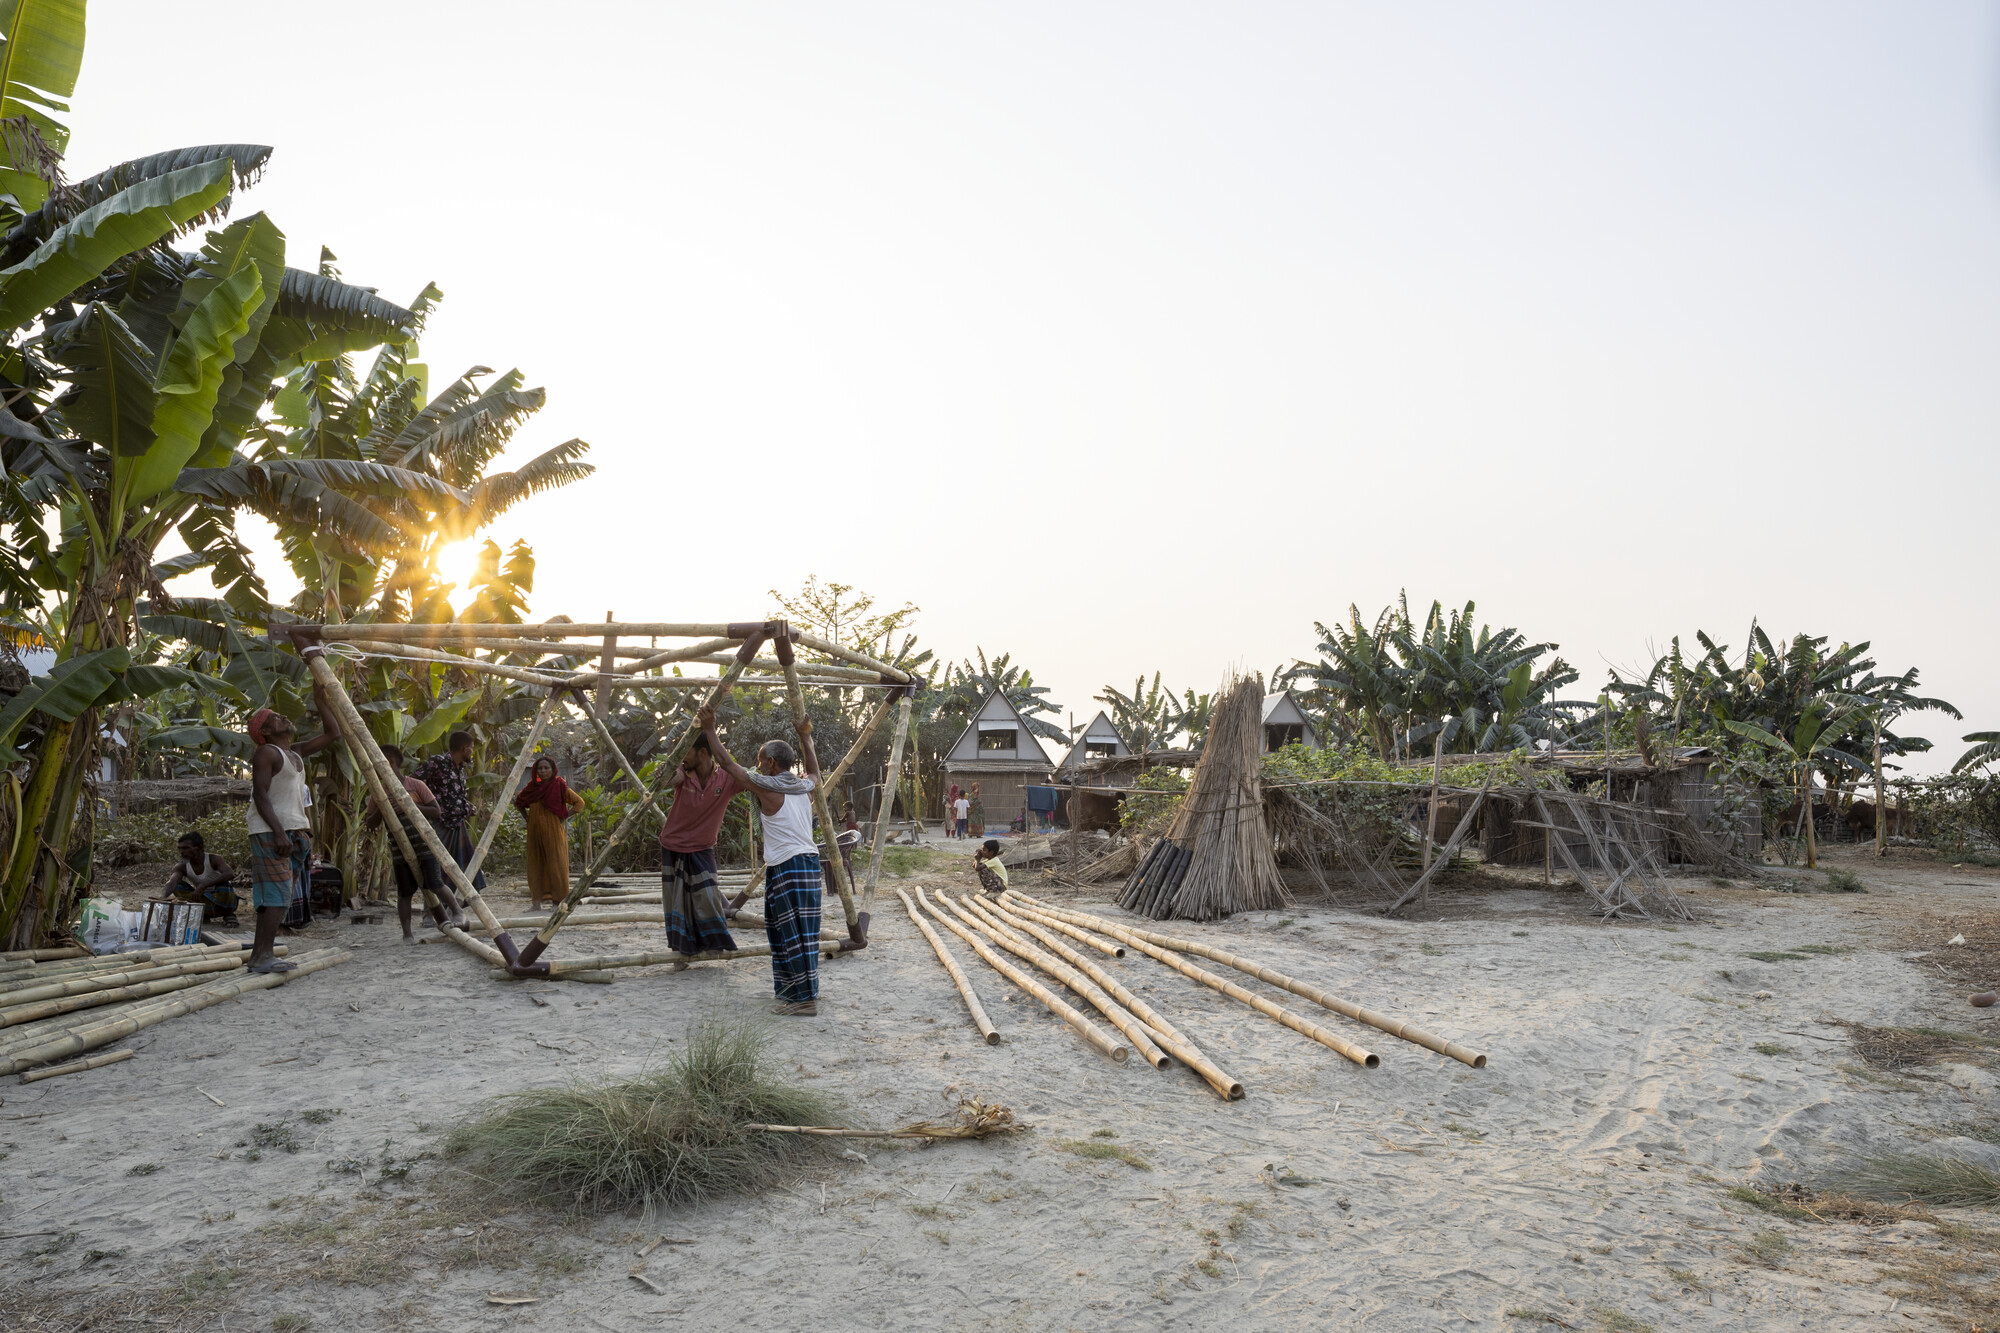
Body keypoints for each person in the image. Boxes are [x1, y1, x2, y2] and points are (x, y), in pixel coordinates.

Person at [699, 703, 823, 1015]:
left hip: (787, 867)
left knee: (788, 932)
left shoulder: (768, 787)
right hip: (809, 865)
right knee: (804, 932)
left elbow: (727, 765)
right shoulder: (802, 787)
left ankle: (803, 1001)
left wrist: (710, 729)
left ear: (771, 763)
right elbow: (814, 773)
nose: (756, 767)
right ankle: (802, 993)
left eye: (759, 761)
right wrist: (805, 737)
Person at [246, 696, 339, 973]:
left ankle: (260, 955)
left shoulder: (294, 752)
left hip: (294, 831)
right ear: (265, 731)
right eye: (274, 717)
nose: (283, 717)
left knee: (280, 896)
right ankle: (262, 956)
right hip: (272, 830)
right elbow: (260, 795)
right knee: (275, 895)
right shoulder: (267, 753)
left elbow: (333, 733)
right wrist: (279, 833)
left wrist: (320, 699)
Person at [657, 729, 744, 957]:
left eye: (687, 751)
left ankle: (713, 945)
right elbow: (671, 778)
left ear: (702, 753)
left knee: (708, 896)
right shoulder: (683, 772)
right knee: (678, 903)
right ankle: (682, 950)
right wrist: (665, 772)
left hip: (703, 847)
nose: (683, 757)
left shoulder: (726, 778)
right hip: (674, 845)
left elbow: (750, 780)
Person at [366, 745, 465, 942]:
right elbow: (370, 823)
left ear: (390, 763)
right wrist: (383, 807)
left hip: (423, 842)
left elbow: (436, 811)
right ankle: (407, 933)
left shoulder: (415, 785)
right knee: (404, 892)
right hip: (399, 846)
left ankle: (457, 911)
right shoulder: (379, 792)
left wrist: (409, 805)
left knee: (435, 883)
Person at [412, 730, 486, 894]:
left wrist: (468, 806)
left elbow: (455, 796)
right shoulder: (437, 763)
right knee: (438, 869)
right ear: (464, 748)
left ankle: (456, 902)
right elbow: (413, 781)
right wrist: (420, 807)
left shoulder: (460, 768)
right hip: (440, 824)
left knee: (458, 868)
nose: (472, 752)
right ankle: (434, 908)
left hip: (457, 825)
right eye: (471, 748)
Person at [514, 756, 583, 910]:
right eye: (540, 768)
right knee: (535, 866)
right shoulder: (532, 787)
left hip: (554, 832)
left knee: (556, 865)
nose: (543, 771)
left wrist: (564, 816)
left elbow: (579, 803)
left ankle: (557, 902)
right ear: (535, 770)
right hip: (534, 832)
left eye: (546, 768)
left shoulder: (559, 785)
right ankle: (536, 903)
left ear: (553, 770)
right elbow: (519, 803)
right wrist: (527, 818)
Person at [164, 832, 237, 925]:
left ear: (199, 847)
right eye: (180, 848)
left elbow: (230, 874)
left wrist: (203, 886)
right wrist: (162, 899)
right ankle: (203, 914)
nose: (181, 851)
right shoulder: (181, 866)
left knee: (226, 885)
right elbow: (172, 883)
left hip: (221, 899)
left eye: (186, 848)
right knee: (178, 886)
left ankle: (229, 913)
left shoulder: (214, 859)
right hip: (201, 898)